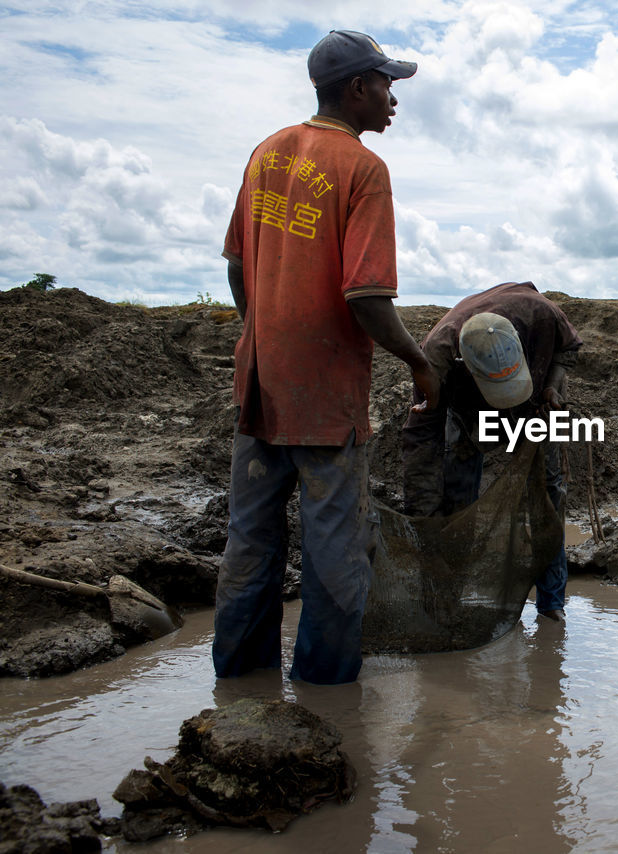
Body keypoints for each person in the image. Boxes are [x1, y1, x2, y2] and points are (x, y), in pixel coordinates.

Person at [215, 30, 436, 684]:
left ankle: (237, 682)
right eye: (388, 84)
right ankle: (326, 695)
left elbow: (235, 266)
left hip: (259, 387)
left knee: (249, 541)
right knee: (335, 548)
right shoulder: (363, 169)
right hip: (325, 397)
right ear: (358, 88)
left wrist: (262, 329)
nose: (394, 98)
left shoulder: (266, 153)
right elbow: (367, 296)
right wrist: (419, 362)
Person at [402, 281, 583, 621]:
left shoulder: (540, 313)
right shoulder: (436, 361)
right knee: (457, 494)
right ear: (466, 366)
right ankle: (449, 596)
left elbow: (568, 349)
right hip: (468, 414)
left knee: (548, 493)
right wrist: (427, 528)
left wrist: (551, 385)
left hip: (537, 403)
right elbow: (421, 447)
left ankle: (552, 604)